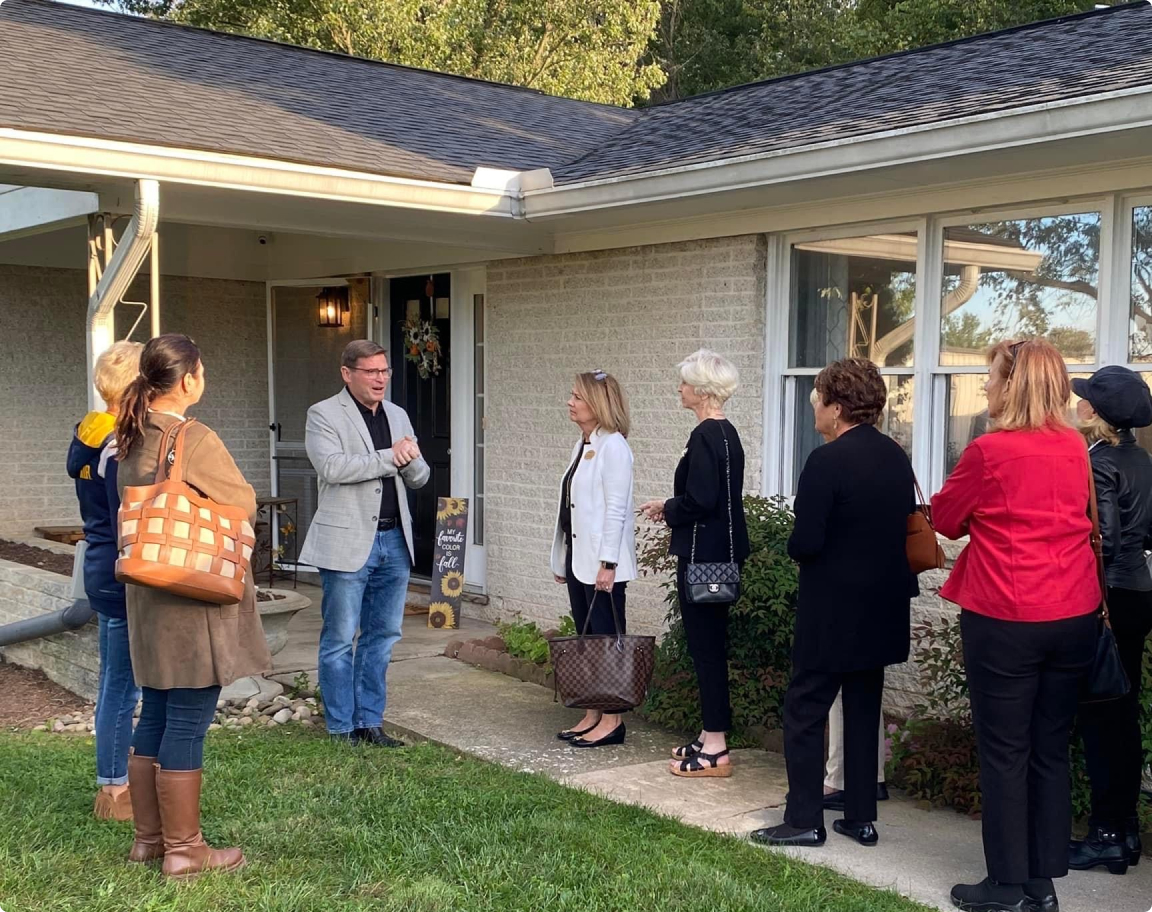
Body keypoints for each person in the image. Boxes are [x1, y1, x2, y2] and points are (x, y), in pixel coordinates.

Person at [932, 339, 1098, 912]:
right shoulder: (1076, 447)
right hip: (1074, 612)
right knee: (1049, 748)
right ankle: (1040, 882)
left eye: (992, 377)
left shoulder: (990, 451)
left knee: (1005, 751)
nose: (987, 387)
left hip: (1008, 612)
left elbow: (949, 521)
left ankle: (1005, 885)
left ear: (1015, 384)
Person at [116, 333, 271, 879]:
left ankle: (148, 839)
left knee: (155, 709)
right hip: (190, 593)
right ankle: (185, 851)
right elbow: (244, 500)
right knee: (186, 718)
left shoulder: (131, 434)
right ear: (189, 379)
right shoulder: (192, 437)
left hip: (148, 596)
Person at [751, 358, 914, 849]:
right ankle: (861, 816)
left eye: (817, 397)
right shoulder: (895, 455)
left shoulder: (825, 461)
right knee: (864, 708)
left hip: (833, 609)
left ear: (837, 408)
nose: (814, 407)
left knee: (805, 709)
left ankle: (803, 819)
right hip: (884, 606)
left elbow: (805, 542)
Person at [299, 340, 429, 747]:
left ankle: (370, 723)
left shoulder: (398, 414)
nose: (380, 379)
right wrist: (392, 456)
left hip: (394, 541)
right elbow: (333, 467)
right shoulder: (322, 414)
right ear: (347, 373)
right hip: (347, 543)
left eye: (385, 371)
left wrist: (411, 459)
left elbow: (420, 476)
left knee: (383, 637)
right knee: (339, 639)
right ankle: (340, 728)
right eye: (371, 372)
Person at [640, 349, 749, 778]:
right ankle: (709, 734)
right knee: (710, 647)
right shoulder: (729, 434)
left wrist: (666, 508)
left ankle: (716, 747)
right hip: (721, 554)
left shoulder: (705, 436)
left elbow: (701, 500)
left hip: (702, 557)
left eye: (684, 382)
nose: (679, 389)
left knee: (706, 650)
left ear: (702, 391)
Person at [1069, 366, 1152, 875]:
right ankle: (1124, 830)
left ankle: (1106, 833)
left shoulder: (1096, 461)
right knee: (1123, 713)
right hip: (1138, 593)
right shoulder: (1141, 458)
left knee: (1101, 716)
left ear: (1096, 413)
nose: (1078, 403)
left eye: (1085, 399)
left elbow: (1106, 542)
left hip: (1109, 598)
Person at [67, 340, 143, 822]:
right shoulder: (119, 445)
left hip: (100, 564)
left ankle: (122, 778)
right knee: (122, 686)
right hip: (121, 570)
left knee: (120, 680)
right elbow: (128, 517)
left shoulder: (91, 433)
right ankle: (114, 789)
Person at [550, 370, 636, 747]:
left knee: (605, 638)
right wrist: (563, 557)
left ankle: (613, 720)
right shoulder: (583, 444)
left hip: (603, 564)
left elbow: (616, 509)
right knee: (587, 637)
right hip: (578, 558)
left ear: (597, 405)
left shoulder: (614, 446)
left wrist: (609, 563)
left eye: (577, 397)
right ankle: (592, 712)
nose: (570, 402)